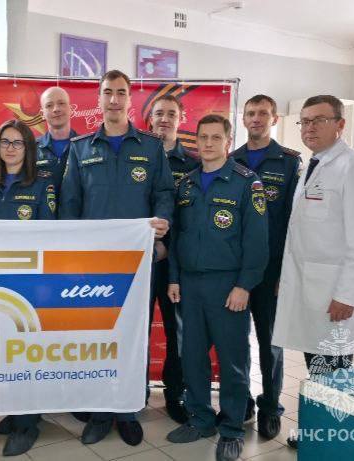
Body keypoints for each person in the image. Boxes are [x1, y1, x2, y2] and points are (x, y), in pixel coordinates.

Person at [60, 69, 174, 447]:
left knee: (134, 336)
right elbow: (70, 205)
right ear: (99, 98)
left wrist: (163, 222)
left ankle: (128, 410)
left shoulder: (151, 147)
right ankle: (99, 411)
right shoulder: (80, 148)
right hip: (94, 264)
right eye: (107, 92)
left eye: (121, 92)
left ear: (130, 98)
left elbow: (164, 193)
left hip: (138, 262)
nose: (114, 99)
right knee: (97, 336)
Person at [271, 95, 354, 449]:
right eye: (305, 121)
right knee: (316, 367)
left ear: (340, 124)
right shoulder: (313, 166)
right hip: (309, 290)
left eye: (319, 120)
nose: (309, 128)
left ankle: (333, 442)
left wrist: (347, 295)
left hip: (334, 296)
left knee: (335, 372)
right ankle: (316, 432)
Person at [165, 115, 268, 461]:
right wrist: (174, 277)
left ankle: (232, 428)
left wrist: (244, 286)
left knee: (232, 359)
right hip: (190, 285)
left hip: (228, 285)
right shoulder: (187, 184)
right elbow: (177, 237)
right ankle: (200, 419)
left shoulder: (247, 183)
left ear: (228, 142)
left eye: (215, 137)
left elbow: (257, 241)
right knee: (192, 357)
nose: (208, 143)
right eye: (203, 137)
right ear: (196, 141)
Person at [0, 119, 56, 456]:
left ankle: (27, 423)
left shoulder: (42, 184)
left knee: (26, 353)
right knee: (5, 351)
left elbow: (51, 235)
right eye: (5, 142)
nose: (10, 148)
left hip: (29, 281)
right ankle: (16, 409)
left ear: (29, 148)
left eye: (18, 142)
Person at [230, 94, 301, 438]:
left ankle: (271, 407)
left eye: (263, 113)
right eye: (250, 113)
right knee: (236, 341)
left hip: (272, 271)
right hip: (236, 270)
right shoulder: (231, 160)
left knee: (271, 342)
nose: (256, 119)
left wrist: (286, 272)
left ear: (274, 119)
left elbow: (294, 222)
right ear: (243, 119)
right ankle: (242, 401)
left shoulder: (289, 162)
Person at [147, 94, 199, 424]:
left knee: (176, 332)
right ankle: (134, 390)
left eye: (171, 113)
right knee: (135, 328)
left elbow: (193, 218)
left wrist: (168, 247)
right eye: (159, 113)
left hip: (176, 264)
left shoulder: (193, 164)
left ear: (181, 119)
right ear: (150, 119)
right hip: (140, 259)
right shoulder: (138, 158)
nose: (164, 119)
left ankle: (174, 394)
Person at [36, 86, 76, 189]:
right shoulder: (31, 149)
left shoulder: (85, 147)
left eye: (61, 103)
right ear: (42, 114)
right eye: (49, 105)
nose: (56, 109)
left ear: (71, 109)